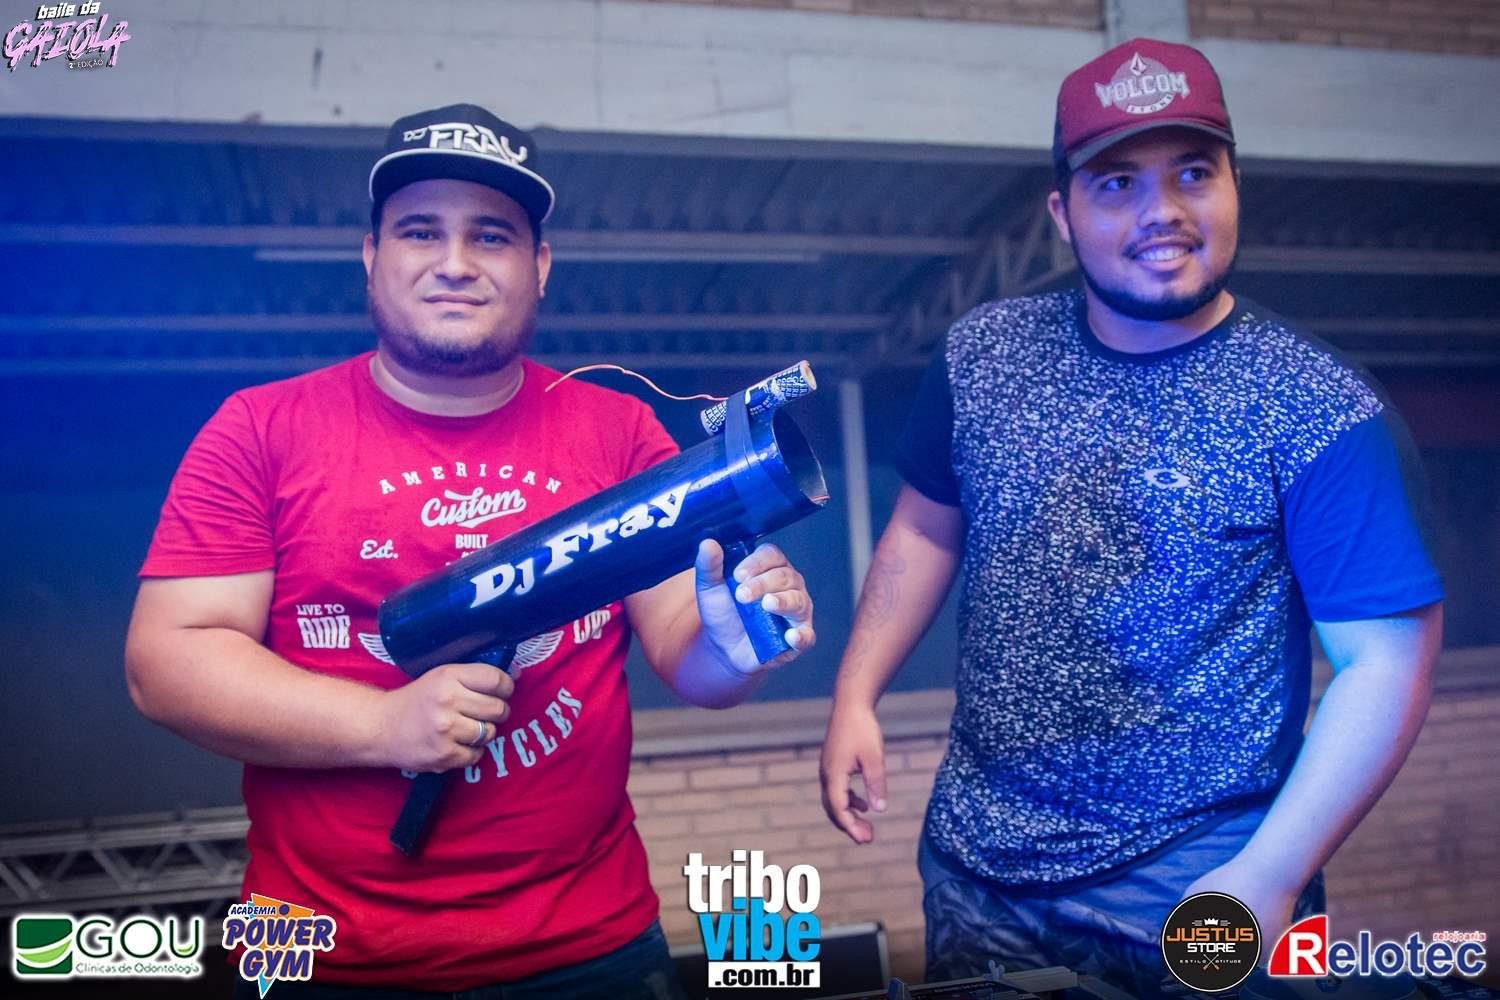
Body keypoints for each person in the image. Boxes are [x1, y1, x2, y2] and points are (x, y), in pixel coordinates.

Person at [125, 104, 816, 1000]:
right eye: (421, 231)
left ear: (540, 266)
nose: (455, 262)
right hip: (302, 948)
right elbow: (165, 664)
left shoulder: (618, 431)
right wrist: (382, 726)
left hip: (589, 946)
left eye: (492, 235)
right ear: (371, 257)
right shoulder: (259, 429)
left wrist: (735, 645)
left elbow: (694, 659)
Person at [819, 39, 1444, 997]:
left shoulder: (1318, 407)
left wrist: (1271, 876)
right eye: (1118, 184)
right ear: (1062, 215)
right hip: (978, 867)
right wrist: (855, 692)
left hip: (1204, 876)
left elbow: (1387, 663)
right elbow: (925, 527)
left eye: (1194, 173)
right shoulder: (982, 357)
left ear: (1234, 186)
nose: (1164, 212)